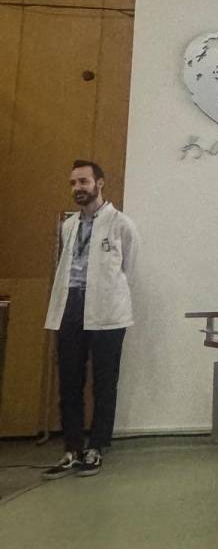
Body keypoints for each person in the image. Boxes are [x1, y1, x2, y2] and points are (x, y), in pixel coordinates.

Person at [42, 161, 139, 479]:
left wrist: (105, 293)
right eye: (73, 183)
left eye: (83, 181)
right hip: (70, 307)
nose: (77, 188)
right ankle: (72, 449)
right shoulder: (69, 225)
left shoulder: (121, 224)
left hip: (108, 312)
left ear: (100, 183)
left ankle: (96, 447)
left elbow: (128, 268)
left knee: (104, 382)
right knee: (69, 381)